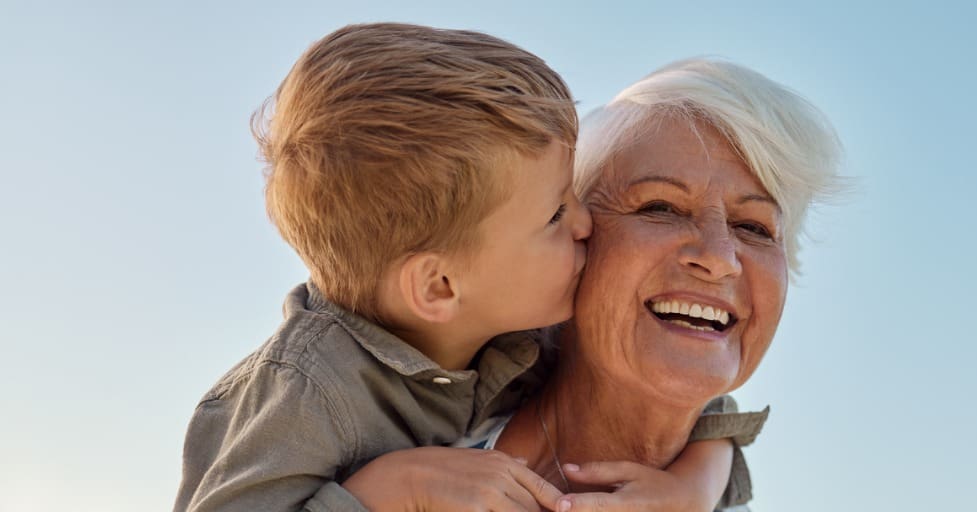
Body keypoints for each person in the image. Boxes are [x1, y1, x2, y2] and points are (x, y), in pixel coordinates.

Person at [174, 25, 751, 512]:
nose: (585, 223)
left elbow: (702, 405)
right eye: (554, 214)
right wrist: (388, 490)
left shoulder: (522, 323)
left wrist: (690, 490)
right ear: (440, 286)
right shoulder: (305, 392)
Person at [348, 58, 842, 511]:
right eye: (660, 208)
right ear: (574, 238)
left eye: (754, 228)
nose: (718, 258)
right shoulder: (376, 443)